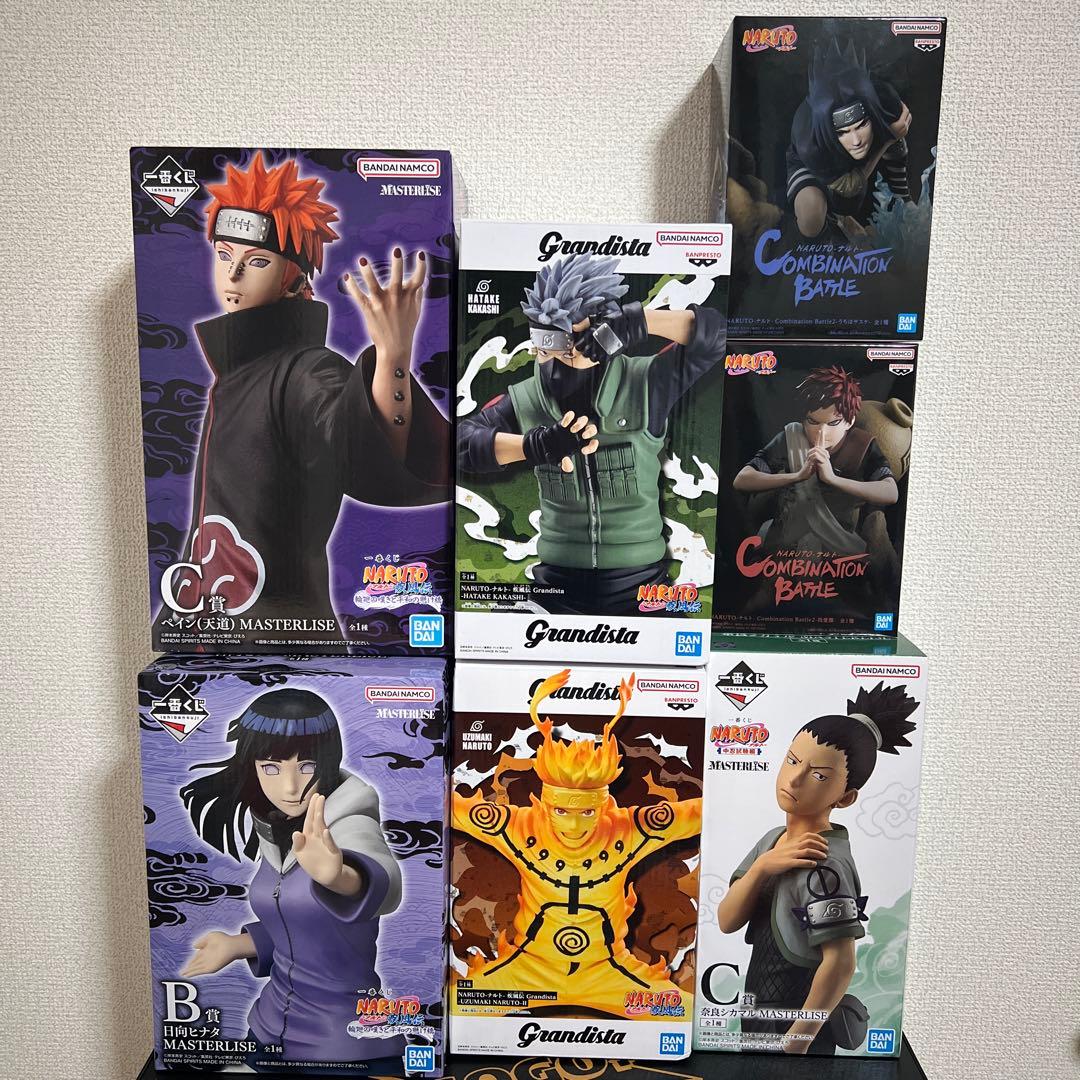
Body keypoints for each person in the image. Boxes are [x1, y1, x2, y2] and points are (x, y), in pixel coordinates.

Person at [157, 152, 448, 638]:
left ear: (293, 276)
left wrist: (393, 356)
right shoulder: (236, 371)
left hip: (280, 632)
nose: (232, 275)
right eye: (224, 255)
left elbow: (355, 445)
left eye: (256, 261)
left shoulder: (305, 369)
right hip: (207, 624)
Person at [457, 254, 725, 615]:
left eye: (568, 341)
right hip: (555, 584)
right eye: (545, 343)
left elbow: (716, 337)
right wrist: (535, 446)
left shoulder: (646, 382)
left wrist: (636, 323)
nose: (555, 358)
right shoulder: (526, 398)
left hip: (641, 584)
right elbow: (461, 444)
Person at [179, 688, 404, 1074]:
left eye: (306, 766)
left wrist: (340, 876)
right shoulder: (275, 830)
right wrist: (237, 945)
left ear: (327, 762)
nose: (290, 787)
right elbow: (298, 928)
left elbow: (383, 883)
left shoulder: (347, 823)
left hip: (343, 1043)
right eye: (271, 767)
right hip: (267, 1032)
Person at [452, 670, 701, 1016]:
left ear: (603, 804)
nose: (573, 825)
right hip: (525, 971)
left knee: (687, 1015)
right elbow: (448, 807)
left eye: (587, 812)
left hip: (610, 973)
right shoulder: (519, 827)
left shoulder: (628, 829)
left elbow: (702, 813)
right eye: (561, 811)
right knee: (455, 1007)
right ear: (546, 803)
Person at [716, 681, 919, 1055]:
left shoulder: (824, 866)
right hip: (757, 1008)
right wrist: (762, 868)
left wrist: (797, 1042)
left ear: (846, 797)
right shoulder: (773, 841)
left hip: (796, 1020)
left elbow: (840, 962)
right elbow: (727, 921)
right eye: (793, 760)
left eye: (819, 775)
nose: (794, 779)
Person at [733, 365, 898, 564]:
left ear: (849, 421)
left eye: (833, 423)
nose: (821, 432)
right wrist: (797, 476)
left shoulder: (862, 444)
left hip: (842, 544)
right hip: (787, 539)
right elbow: (742, 480)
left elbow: (891, 492)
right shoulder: (792, 436)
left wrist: (833, 479)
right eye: (813, 421)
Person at [786, 39, 915, 238]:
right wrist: (888, 139)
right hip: (814, 169)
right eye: (842, 132)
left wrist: (904, 199)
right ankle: (833, 223)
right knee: (811, 220)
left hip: (854, 175)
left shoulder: (886, 102)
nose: (856, 140)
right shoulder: (808, 142)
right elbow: (848, 187)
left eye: (862, 125)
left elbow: (897, 147)